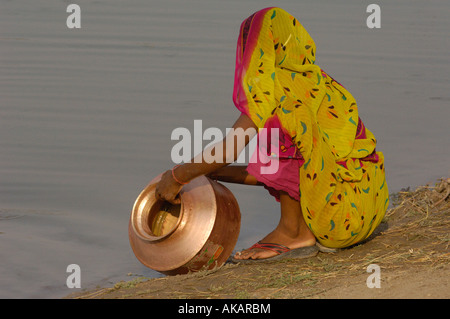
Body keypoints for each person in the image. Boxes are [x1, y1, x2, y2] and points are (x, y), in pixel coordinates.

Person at [155, 7, 389, 262]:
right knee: (293, 138)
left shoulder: (277, 97)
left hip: (338, 225)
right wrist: (211, 172)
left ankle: (292, 233)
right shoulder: (320, 84)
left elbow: (230, 149)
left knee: (280, 124)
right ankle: (298, 229)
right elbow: (297, 171)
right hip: (369, 209)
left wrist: (177, 176)